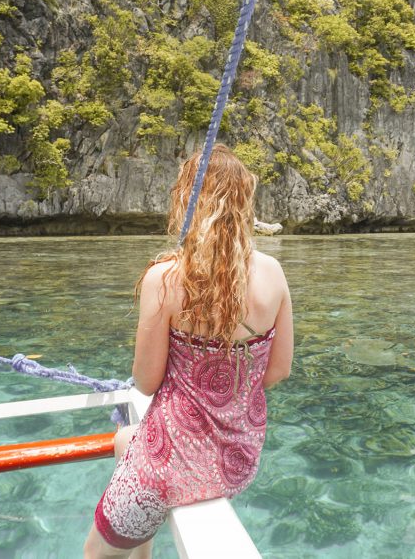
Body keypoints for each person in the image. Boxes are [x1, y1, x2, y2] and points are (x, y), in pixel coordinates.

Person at [84, 144, 294, 558]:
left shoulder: (165, 278)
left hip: (168, 467)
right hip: (235, 463)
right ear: (244, 202)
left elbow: (145, 382)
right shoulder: (272, 272)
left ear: (187, 201)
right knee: (126, 439)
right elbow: (277, 372)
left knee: (96, 555)